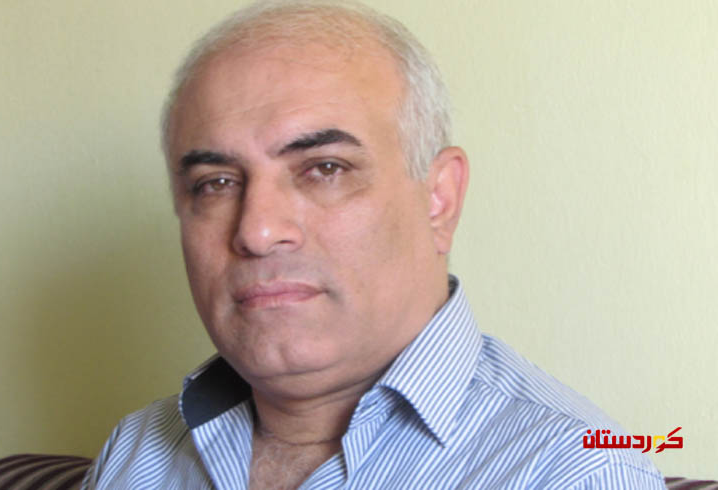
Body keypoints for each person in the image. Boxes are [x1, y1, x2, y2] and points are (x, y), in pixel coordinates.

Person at [82, 1, 665, 488]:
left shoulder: (574, 468)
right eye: (216, 183)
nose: (257, 231)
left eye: (324, 168)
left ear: (439, 199)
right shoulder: (136, 451)